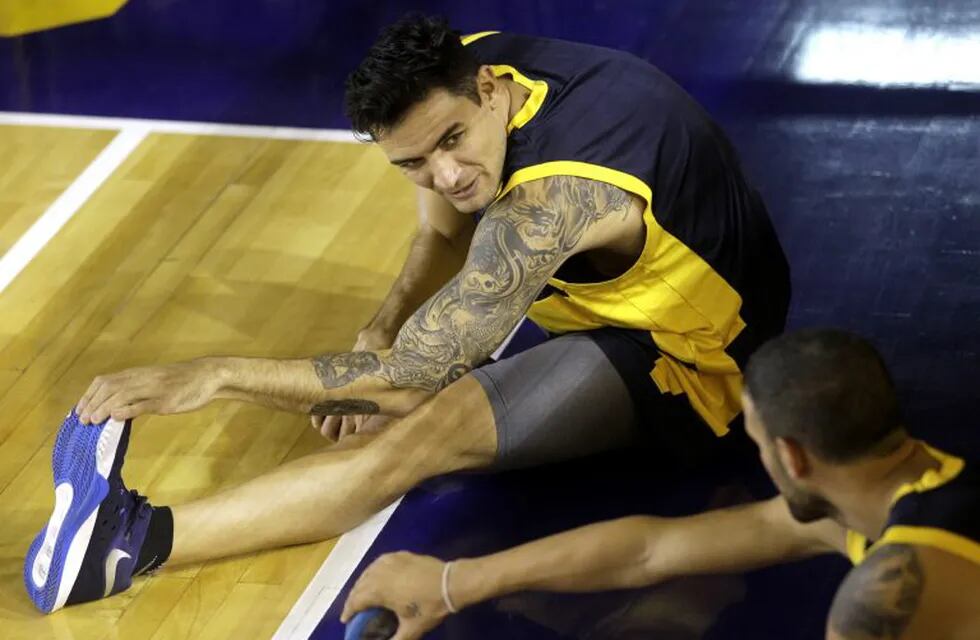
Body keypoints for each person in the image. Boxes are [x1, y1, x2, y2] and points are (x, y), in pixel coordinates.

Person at [24, 15, 790, 613]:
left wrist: (215, 375)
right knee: (413, 373)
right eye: (413, 163)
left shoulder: (552, 203)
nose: (445, 173)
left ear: (489, 92)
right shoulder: (463, 73)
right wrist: (384, 325)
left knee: (418, 434)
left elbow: (412, 378)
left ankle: (126, 546)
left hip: (695, 359)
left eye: (452, 143)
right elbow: (441, 230)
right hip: (621, 292)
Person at [342, 329, 980, 640]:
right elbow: (654, 549)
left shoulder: (890, 594)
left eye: (756, 443)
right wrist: (456, 583)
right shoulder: (898, 491)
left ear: (791, 455)